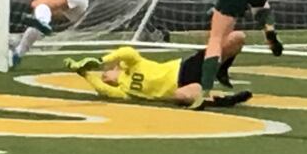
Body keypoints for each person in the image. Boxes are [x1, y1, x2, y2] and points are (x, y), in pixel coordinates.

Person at [64, 31, 252, 109]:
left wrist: (100, 61)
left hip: (183, 69)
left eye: (106, 73)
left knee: (237, 37)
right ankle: (226, 101)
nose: (105, 77)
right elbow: (103, 90)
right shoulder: (125, 92)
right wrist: (84, 74)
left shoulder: (131, 65)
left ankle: (222, 68)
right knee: (185, 96)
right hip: (178, 88)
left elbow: (126, 51)